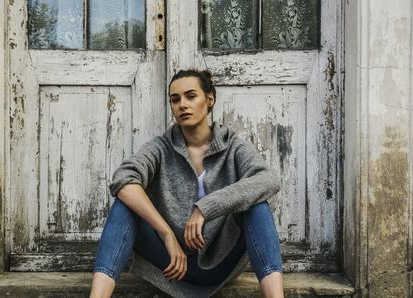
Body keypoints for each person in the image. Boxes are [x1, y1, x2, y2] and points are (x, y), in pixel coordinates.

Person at [90, 69, 284, 298]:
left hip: (219, 263)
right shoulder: (161, 148)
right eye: (175, 99)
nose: (182, 104)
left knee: (257, 206)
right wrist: (167, 235)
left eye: (191, 96)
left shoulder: (232, 146)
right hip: (171, 262)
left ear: (209, 99)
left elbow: (268, 179)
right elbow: (123, 179)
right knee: (125, 205)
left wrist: (205, 208)